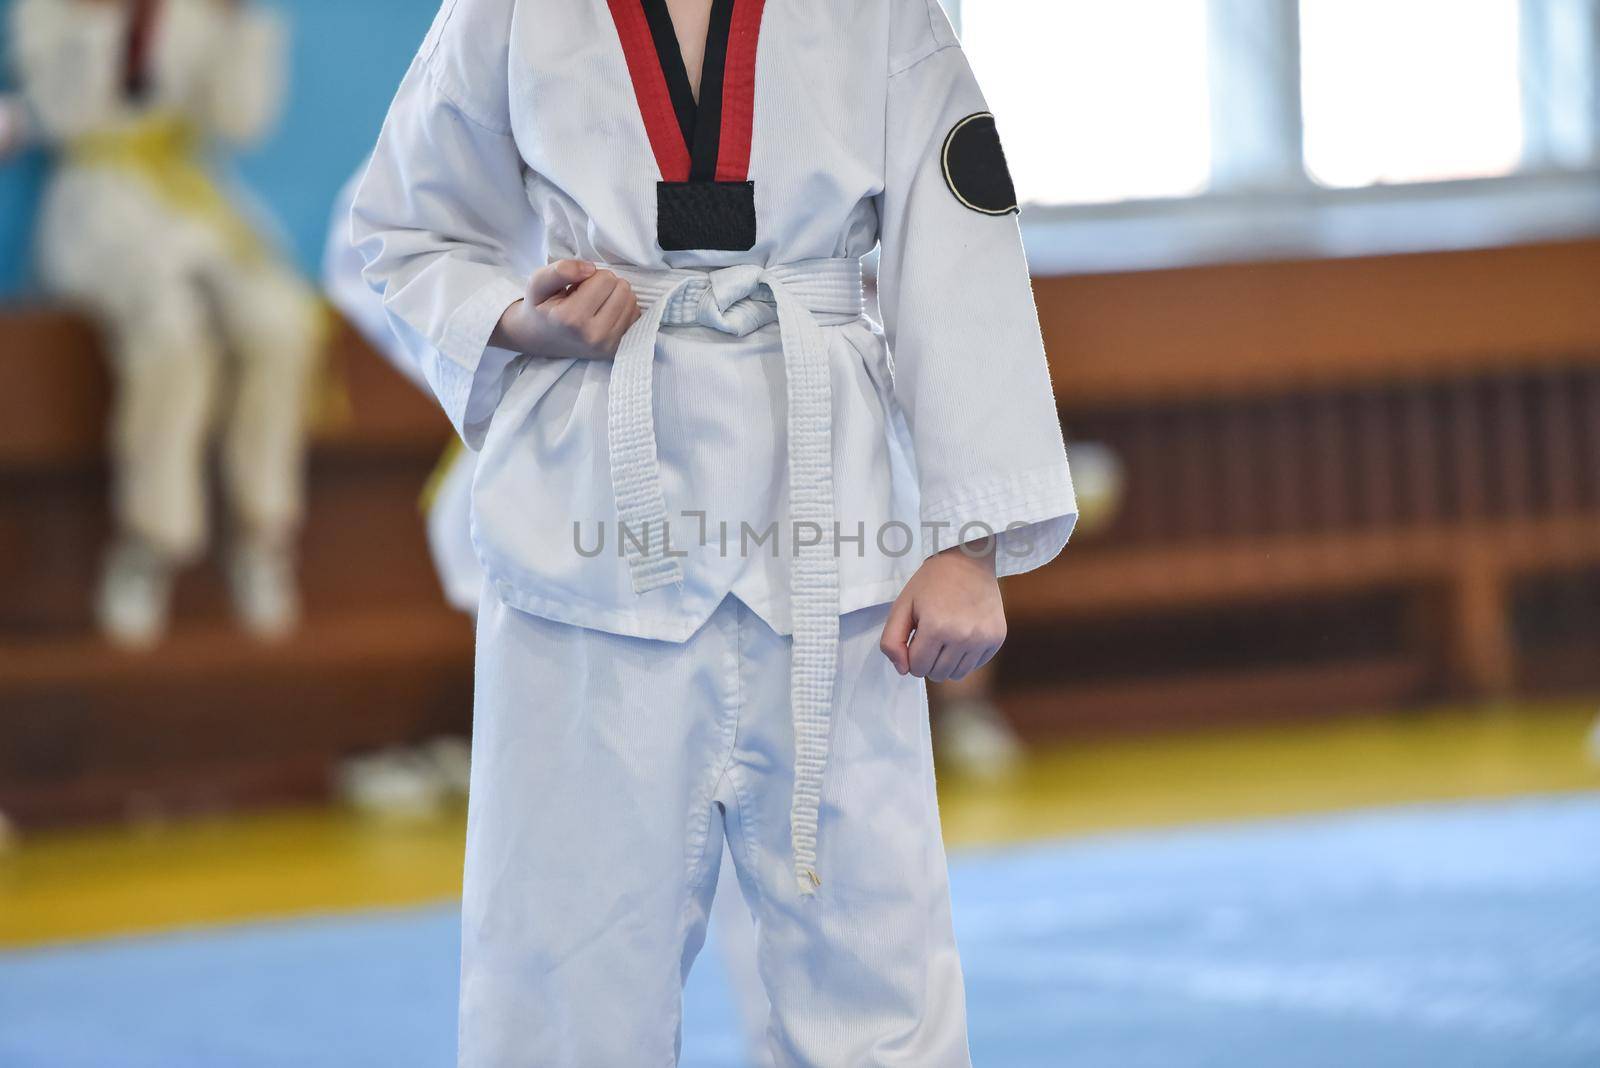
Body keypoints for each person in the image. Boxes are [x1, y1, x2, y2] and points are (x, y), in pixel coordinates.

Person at [352, 0, 1078, 1063]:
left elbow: (958, 241)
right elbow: (405, 229)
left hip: (832, 526)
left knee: (875, 961)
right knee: (559, 973)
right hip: (591, 522)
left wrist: (969, 542)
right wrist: (518, 317)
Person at [325, 166, 776, 1067]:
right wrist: (517, 345)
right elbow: (377, 248)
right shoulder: (515, 35)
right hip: (573, 504)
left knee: (795, 887)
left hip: (777, 494)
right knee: (583, 888)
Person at [9, 0, 319, 648]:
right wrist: (100, 20)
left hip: (189, 197)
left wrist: (235, 23)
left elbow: (243, 121)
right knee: (172, 335)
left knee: (283, 322)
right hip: (97, 202)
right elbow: (62, 114)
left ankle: (262, 533)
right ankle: (149, 542)